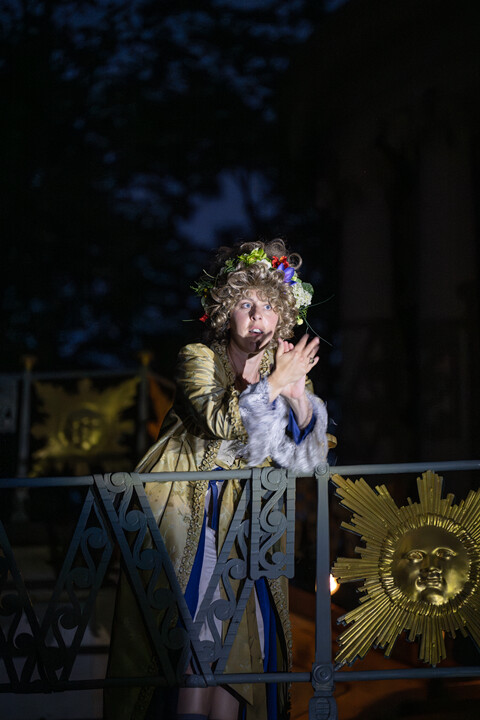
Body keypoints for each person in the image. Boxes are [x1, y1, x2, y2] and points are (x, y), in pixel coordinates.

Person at [105, 239, 331, 720]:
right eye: (246, 304)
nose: (257, 316)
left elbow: (307, 459)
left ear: (282, 317)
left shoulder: (285, 372)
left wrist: (297, 398)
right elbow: (217, 420)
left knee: (244, 653)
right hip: (189, 518)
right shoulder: (198, 357)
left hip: (252, 527)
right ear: (228, 313)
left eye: (268, 306)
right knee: (193, 645)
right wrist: (274, 385)